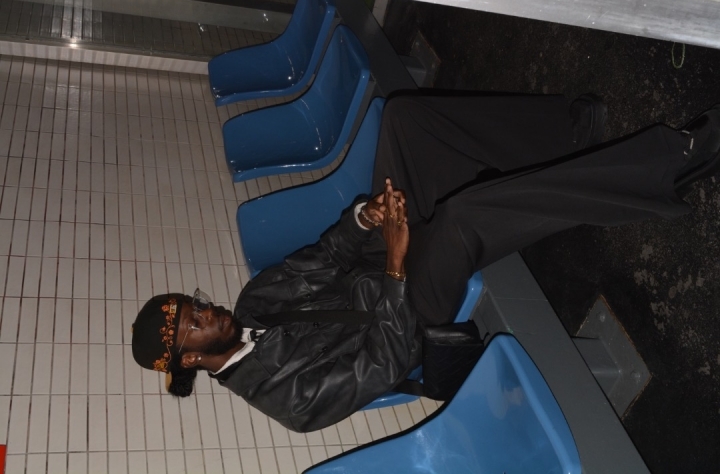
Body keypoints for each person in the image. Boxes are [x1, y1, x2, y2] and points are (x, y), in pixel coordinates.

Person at [131, 94, 720, 433]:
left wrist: (367, 219)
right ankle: (667, 166)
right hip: (408, 319)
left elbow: (329, 255)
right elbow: (383, 363)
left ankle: (569, 132)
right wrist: (395, 266)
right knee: (462, 217)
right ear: (190, 358)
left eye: (194, 303)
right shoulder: (287, 401)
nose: (207, 310)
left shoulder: (254, 302)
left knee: (404, 119)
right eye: (195, 323)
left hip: (379, 265)